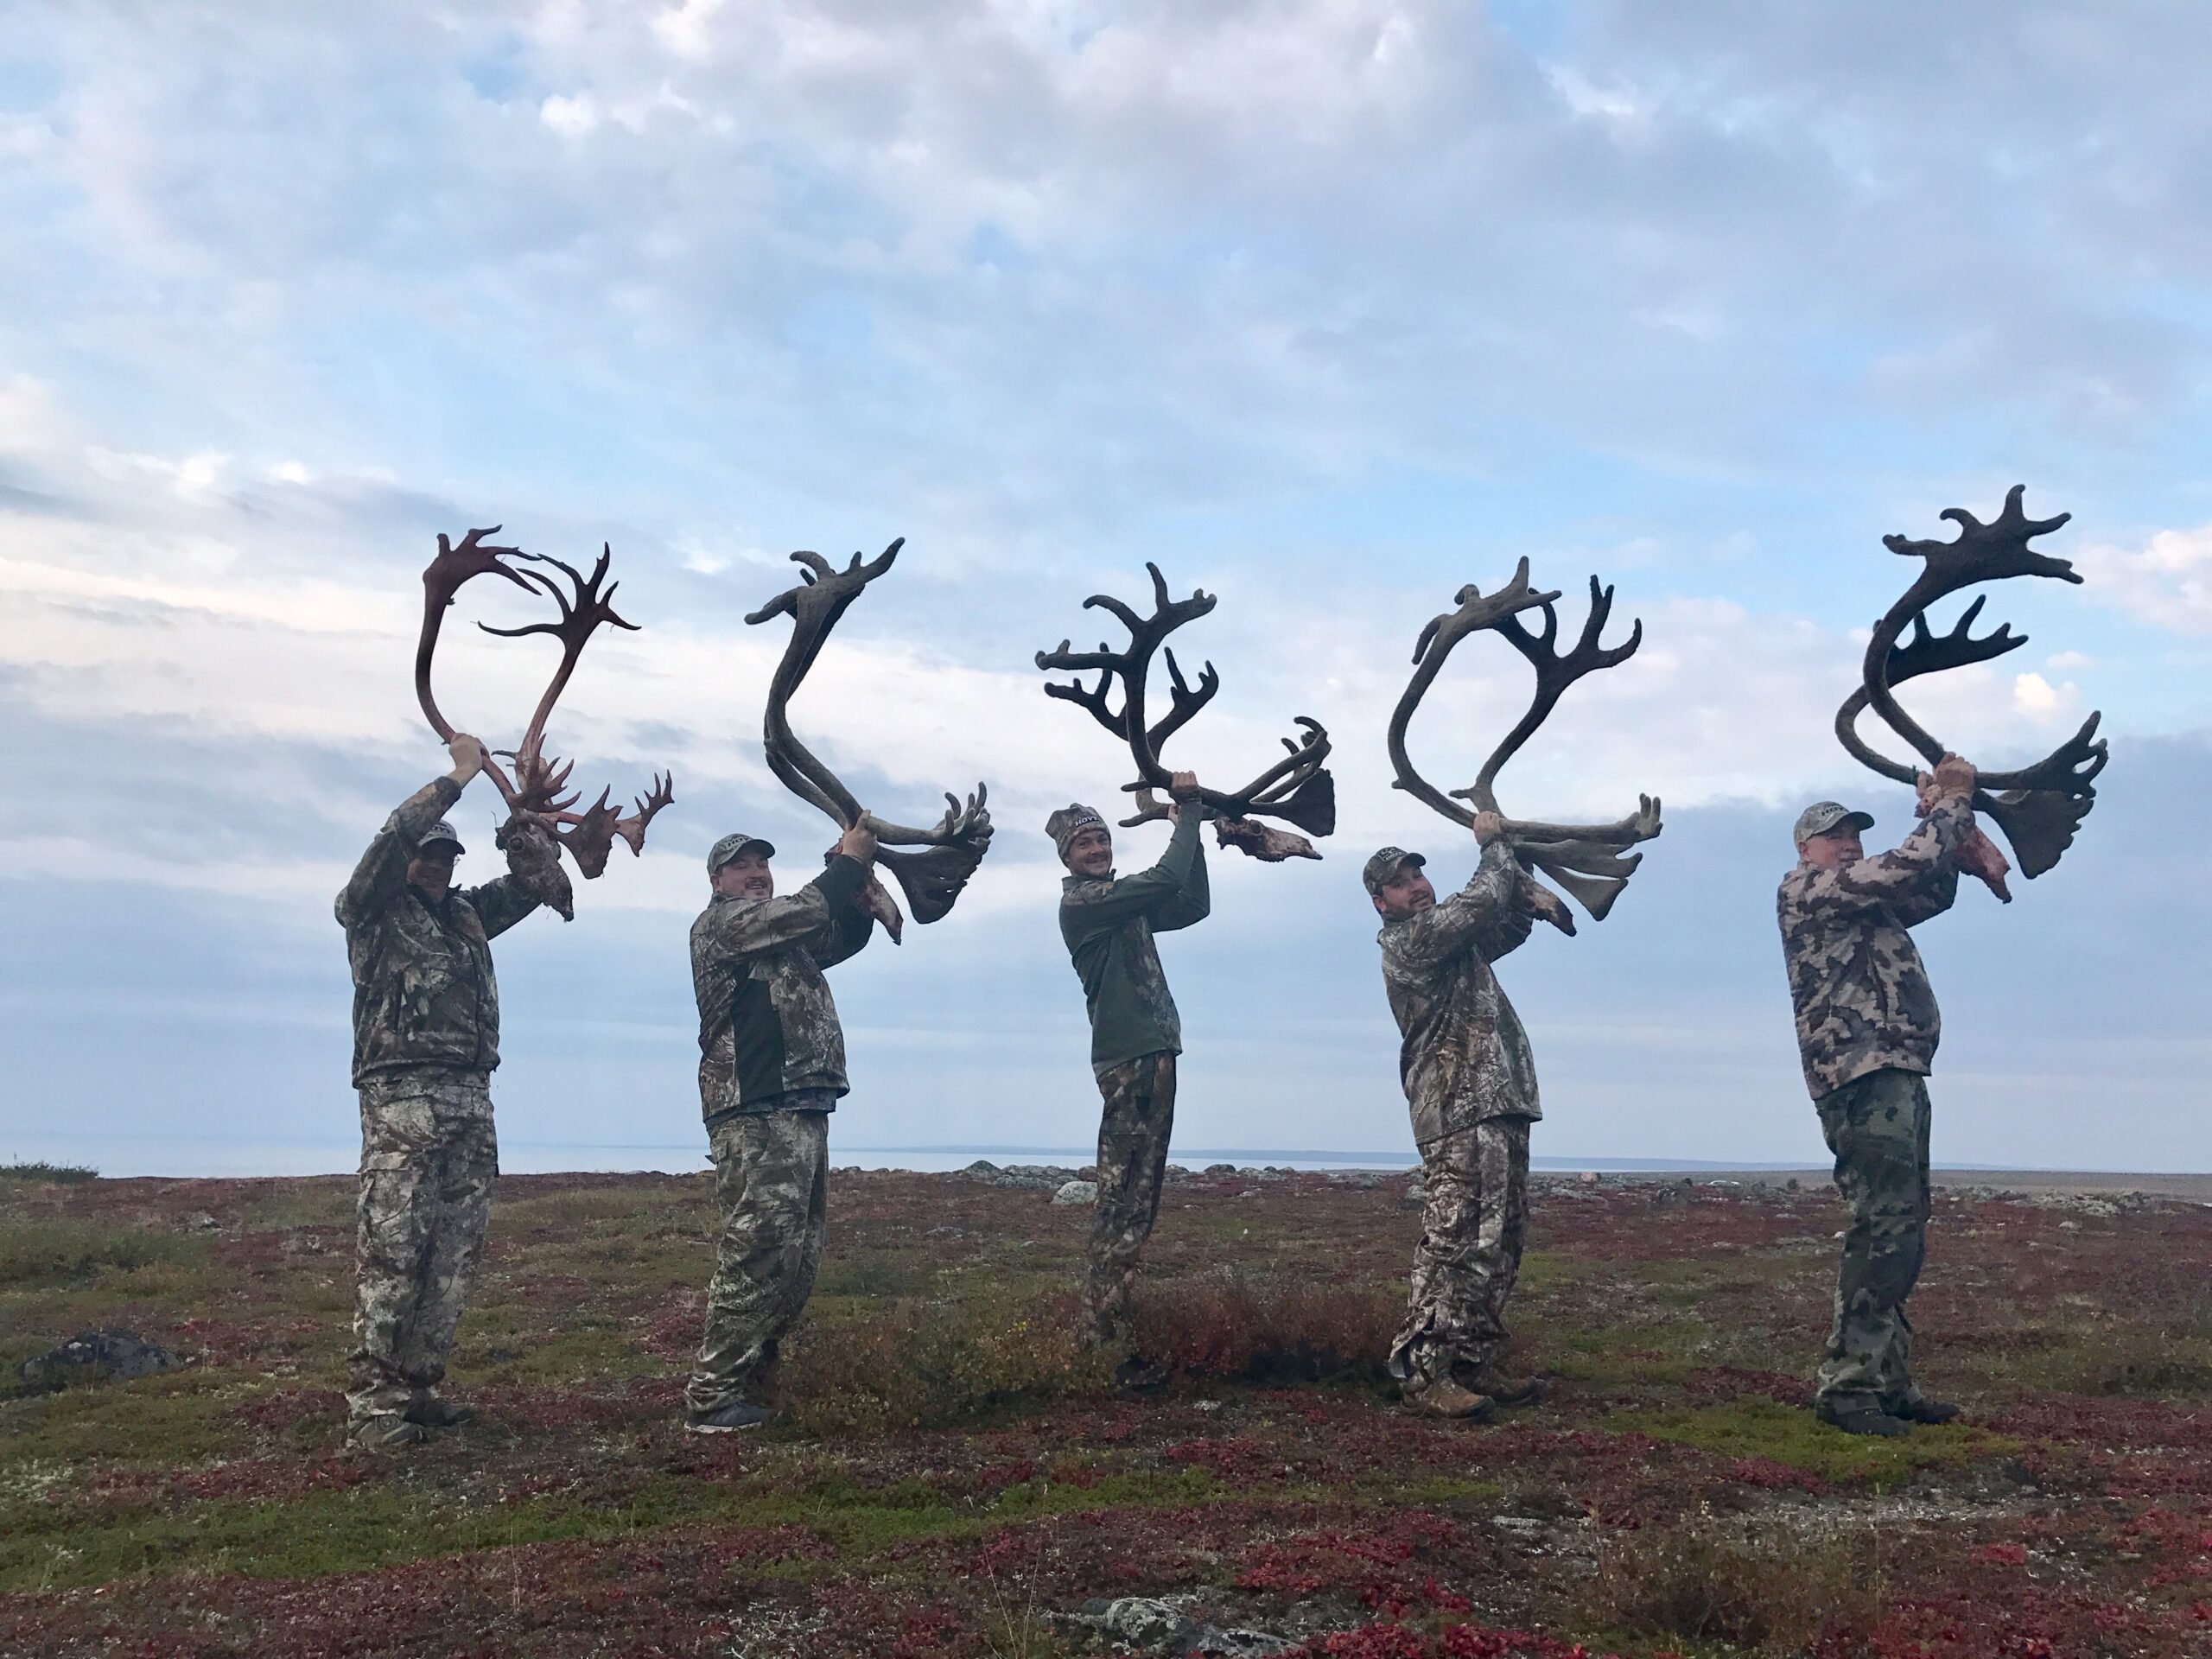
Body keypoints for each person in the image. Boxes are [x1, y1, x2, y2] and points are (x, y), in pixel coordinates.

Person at [334, 734, 553, 1450]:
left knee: (454, 1253)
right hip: (401, 1099)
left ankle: (419, 1386)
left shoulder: (466, 914)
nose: (434, 864)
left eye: (446, 856)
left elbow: (533, 885)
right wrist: (458, 777)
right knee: (393, 1248)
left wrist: (525, 831)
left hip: (469, 1098)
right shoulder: (371, 909)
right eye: (426, 853)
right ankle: (373, 1407)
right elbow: (391, 836)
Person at [1778, 753, 1980, 1437]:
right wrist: (1952, 802)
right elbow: (1906, 865)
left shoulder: (1863, 904)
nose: (1849, 844)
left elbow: (1931, 887)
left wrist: (1944, 823)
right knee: (1884, 1225)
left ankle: (1887, 1379)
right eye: (1834, 836)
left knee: (1903, 1225)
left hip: (1896, 1069)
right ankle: (1848, 1387)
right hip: (1859, 1074)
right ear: (1805, 850)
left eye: (1855, 835)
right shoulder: (1809, 891)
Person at [685, 820, 880, 1432]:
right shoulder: (722, 925)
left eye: (762, 864)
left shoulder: (780, 938)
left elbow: (834, 936)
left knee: (796, 1259)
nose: (755, 874)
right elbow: (808, 907)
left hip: (801, 1105)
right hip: (757, 1107)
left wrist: (858, 895)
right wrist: (847, 863)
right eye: (740, 866)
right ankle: (713, 1396)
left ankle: (755, 1382)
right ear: (717, 881)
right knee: (758, 1251)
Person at [1366, 813, 1549, 1421]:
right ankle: (1423, 1372)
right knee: (1455, 1242)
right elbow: (1482, 902)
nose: (1415, 887)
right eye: (1399, 883)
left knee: (1500, 1241)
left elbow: (1507, 921)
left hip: (1499, 1104)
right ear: (1381, 903)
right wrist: (1495, 844)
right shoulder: (1411, 942)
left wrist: (1519, 868)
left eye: (1418, 875)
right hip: (1456, 1110)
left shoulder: (1455, 943)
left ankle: (1471, 1360)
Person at [1047, 772, 1210, 1382]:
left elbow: (1191, 903)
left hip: (1156, 1055)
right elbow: (1166, 878)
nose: (1097, 850)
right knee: (1119, 1201)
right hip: (1128, 1062)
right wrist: (1188, 812)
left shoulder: (1123, 904)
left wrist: (1191, 828)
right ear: (1067, 858)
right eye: (1084, 844)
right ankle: (1102, 1343)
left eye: (1101, 840)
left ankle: (1115, 1333)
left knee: (1139, 1201)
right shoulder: (1085, 904)